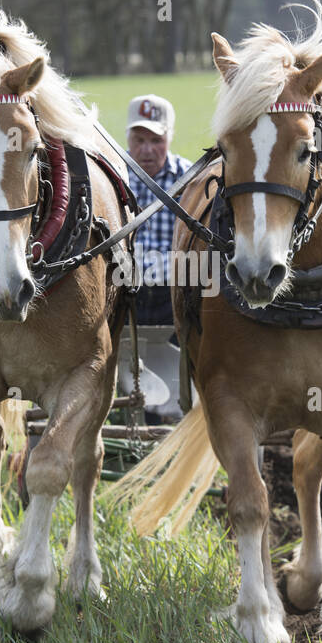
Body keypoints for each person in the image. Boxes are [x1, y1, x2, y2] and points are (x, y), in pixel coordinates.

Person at [122, 94, 191, 422]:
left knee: (176, 372)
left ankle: (175, 415)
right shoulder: (115, 178)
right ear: (127, 139)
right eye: (139, 140)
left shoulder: (190, 181)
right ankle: (131, 418)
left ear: (170, 138)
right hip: (124, 296)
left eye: (156, 140)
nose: (147, 149)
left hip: (172, 296)